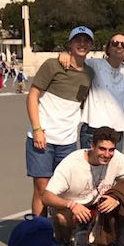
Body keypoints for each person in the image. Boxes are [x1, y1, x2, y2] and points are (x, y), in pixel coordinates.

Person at [25, 26, 96, 216]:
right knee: (42, 189)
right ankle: (39, 233)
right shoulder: (52, 65)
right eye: (78, 40)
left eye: (86, 41)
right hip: (43, 137)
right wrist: (37, 129)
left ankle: (60, 234)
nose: (82, 44)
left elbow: (80, 103)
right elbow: (32, 96)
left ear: (91, 45)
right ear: (70, 44)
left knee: (64, 190)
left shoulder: (89, 74)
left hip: (67, 141)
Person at [40, 126, 124, 246]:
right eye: (102, 149)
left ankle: (102, 238)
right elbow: (46, 197)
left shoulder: (117, 159)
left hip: (98, 206)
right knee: (62, 218)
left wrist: (117, 199)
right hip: (74, 207)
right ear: (92, 146)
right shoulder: (71, 163)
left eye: (111, 150)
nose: (107, 154)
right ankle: (66, 243)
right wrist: (71, 205)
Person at [79, 33, 124, 150]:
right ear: (108, 49)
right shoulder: (94, 64)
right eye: (115, 43)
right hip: (93, 129)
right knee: (90, 168)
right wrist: (65, 55)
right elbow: (75, 62)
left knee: (114, 168)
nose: (119, 46)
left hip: (117, 132)